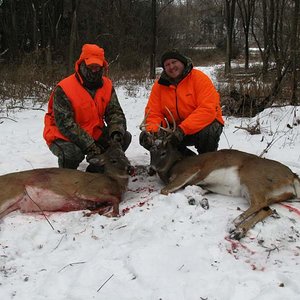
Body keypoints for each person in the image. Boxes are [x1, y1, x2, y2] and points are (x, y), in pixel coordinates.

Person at [43, 43, 131, 172]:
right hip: (61, 135)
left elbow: (114, 112)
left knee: (124, 137)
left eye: (98, 66)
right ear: (81, 64)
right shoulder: (64, 88)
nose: (95, 70)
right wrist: (90, 146)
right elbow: (65, 125)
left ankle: (96, 168)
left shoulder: (107, 85)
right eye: (91, 66)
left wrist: (116, 133)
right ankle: (67, 173)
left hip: (93, 131)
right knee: (73, 153)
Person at [140, 49, 224, 157]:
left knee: (209, 132)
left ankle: (206, 160)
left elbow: (207, 110)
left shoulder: (199, 79)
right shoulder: (160, 86)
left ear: (182, 62)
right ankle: (185, 158)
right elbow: (153, 113)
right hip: (176, 129)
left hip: (200, 127)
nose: (171, 67)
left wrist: (182, 129)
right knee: (147, 139)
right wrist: (152, 132)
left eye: (174, 62)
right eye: (167, 65)